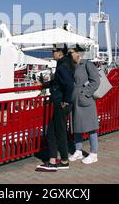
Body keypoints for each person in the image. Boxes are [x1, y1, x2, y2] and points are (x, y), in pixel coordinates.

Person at [36, 44, 75, 172]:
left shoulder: (63, 66)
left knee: (55, 132)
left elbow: (69, 85)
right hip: (62, 102)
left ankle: (56, 162)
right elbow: (57, 82)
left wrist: (66, 101)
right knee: (57, 131)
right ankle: (61, 160)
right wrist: (43, 85)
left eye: (54, 51)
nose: (52, 53)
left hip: (61, 103)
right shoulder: (65, 63)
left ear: (60, 53)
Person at [67, 45, 101, 165]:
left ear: (78, 53)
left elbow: (96, 81)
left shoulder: (87, 64)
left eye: (70, 53)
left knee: (90, 127)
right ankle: (78, 150)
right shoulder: (71, 66)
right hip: (75, 100)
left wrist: (85, 93)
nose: (69, 55)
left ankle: (93, 153)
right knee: (77, 126)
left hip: (85, 100)